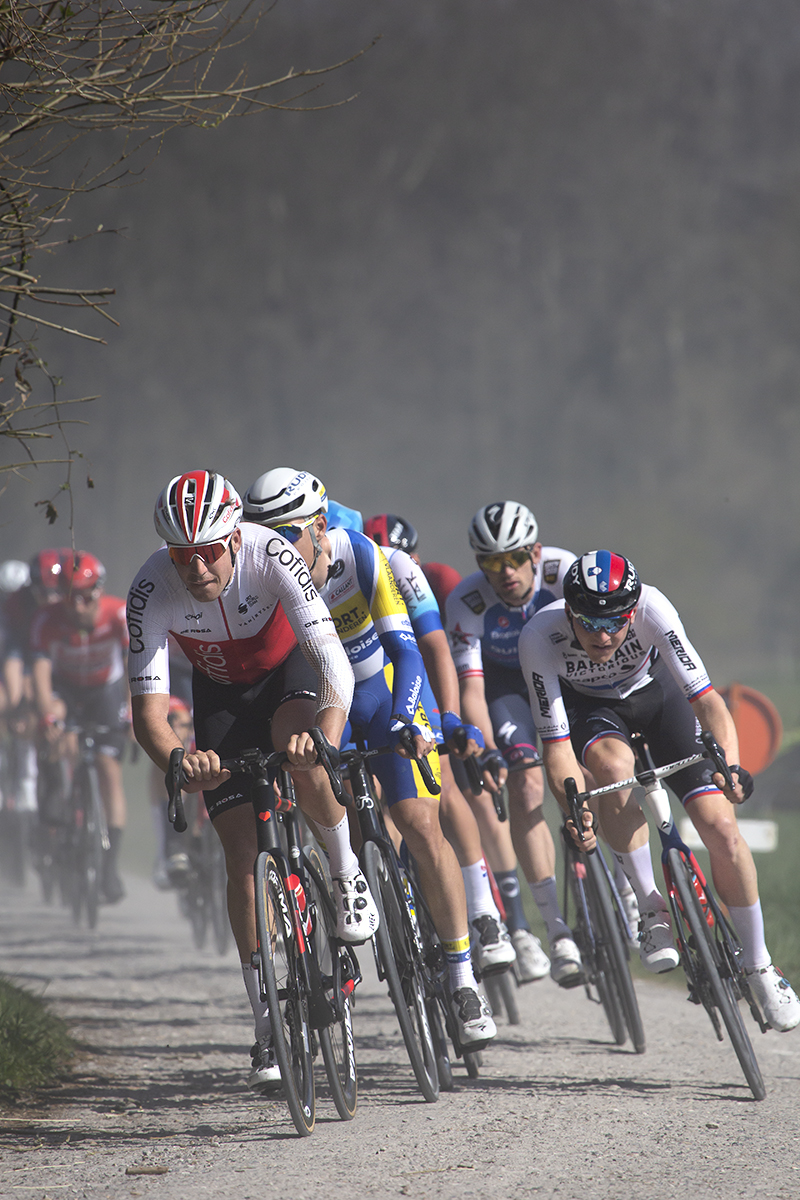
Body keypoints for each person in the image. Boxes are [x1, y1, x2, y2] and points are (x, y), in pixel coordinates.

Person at [127, 470, 378, 1091]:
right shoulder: (150, 588)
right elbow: (148, 715)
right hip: (220, 697)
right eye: (183, 555)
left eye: (209, 551)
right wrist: (181, 760)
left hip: (288, 675)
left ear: (234, 540)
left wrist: (324, 735)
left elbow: (332, 664)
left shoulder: (272, 555)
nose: (196, 566)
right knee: (241, 859)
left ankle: (344, 872)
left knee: (300, 749)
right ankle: (267, 1016)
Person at [243, 469, 496, 1049]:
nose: (276, 550)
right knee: (344, 829)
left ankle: (462, 976)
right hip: (325, 703)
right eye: (266, 536)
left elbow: (409, 652)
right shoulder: (264, 579)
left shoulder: (362, 556)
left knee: (419, 821)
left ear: (316, 526)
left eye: (288, 534)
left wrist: (411, 717)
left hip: (383, 692)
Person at [518, 549, 800, 1032]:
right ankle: (650, 905)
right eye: (589, 623)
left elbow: (708, 701)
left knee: (723, 831)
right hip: (593, 714)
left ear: (633, 612)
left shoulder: (653, 609)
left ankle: (759, 966)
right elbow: (557, 748)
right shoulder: (539, 637)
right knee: (612, 766)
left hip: (660, 699)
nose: (603, 636)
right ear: (568, 612)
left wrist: (729, 766)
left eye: (615, 623)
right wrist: (574, 809)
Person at [364, 511, 516, 976]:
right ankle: (399, 897)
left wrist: (448, 719)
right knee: (371, 798)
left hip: (421, 682)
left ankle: (483, 909)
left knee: (444, 787)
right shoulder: (355, 573)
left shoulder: (425, 577)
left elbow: (441, 649)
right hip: (370, 686)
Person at [445, 501, 583, 987]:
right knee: (526, 789)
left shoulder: (565, 572)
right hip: (509, 690)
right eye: (490, 562)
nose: (504, 572)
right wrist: (484, 747)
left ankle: (626, 894)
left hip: (570, 680)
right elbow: (474, 691)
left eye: (514, 558)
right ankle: (556, 929)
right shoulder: (468, 602)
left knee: (596, 768)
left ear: (536, 552)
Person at [30, 552, 130, 903]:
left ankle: (108, 868)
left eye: (87, 595)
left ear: (100, 591)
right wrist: (48, 718)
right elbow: (40, 676)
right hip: (67, 690)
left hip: (105, 690)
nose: (79, 604)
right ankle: (58, 798)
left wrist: (134, 710)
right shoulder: (48, 619)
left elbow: (137, 665)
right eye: (71, 595)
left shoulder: (117, 614)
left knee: (108, 769)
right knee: (59, 733)